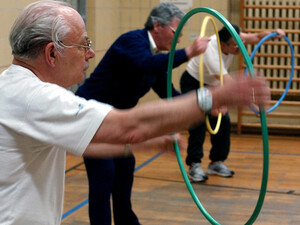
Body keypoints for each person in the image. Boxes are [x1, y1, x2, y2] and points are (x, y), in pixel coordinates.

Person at [0, 1, 270, 224]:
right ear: (51, 53)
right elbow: (129, 123)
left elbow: (89, 144)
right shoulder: (36, 97)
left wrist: (147, 141)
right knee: (103, 179)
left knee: (122, 174)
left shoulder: (16, 87)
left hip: (103, 127)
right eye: (84, 45)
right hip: (104, 120)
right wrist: (214, 95)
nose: (91, 53)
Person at [75, 3, 210, 225]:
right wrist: (189, 52)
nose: (179, 37)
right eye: (176, 32)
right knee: (104, 175)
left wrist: (206, 102)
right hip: (92, 117)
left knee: (124, 171)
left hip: (117, 123)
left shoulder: (154, 59)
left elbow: (172, 96)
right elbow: (145, 63)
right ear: (157, 26)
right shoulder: (131, 41)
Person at [180, 24, 285, 182]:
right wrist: (255, 105)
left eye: (239, 42)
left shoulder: (234, 39)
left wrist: (274, 34)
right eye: (234, 45)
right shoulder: (211, 51)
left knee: (224, 120)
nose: (239, 47)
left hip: (214, 83)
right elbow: (229, 84)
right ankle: (194, 164)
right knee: (199, 121)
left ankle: (216, 162)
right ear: (223, 45)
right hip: (195, 82)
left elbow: (256, 37)